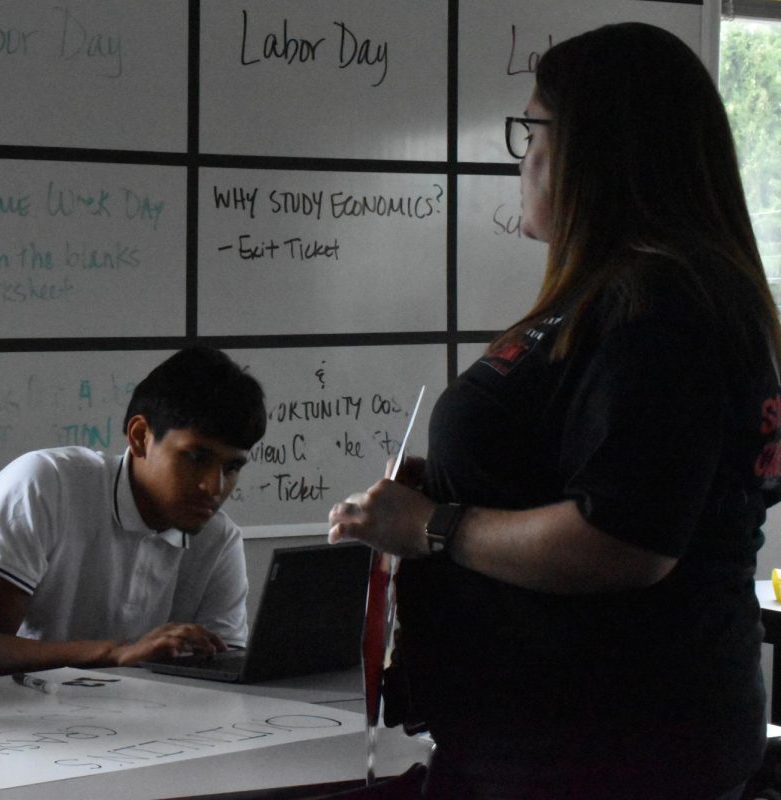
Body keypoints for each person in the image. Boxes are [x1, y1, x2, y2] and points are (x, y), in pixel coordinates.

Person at [328, 22, 778, 800]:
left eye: (532, 128)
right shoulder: (624, 293)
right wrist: (454, 480)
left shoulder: (663, 306)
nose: (524, 156)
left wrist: (436, 526)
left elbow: (624, 540)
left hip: (603, 754)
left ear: (596, 151)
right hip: (546, 743)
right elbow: (593, 461)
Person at [0, 346, 267, 682]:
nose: (214, 486)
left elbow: (224, 674)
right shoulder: (45, 485)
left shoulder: (219, 540)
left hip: (88, 728)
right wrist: (118, 653)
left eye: (232, 467)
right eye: (195, 457)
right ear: (139, 436)